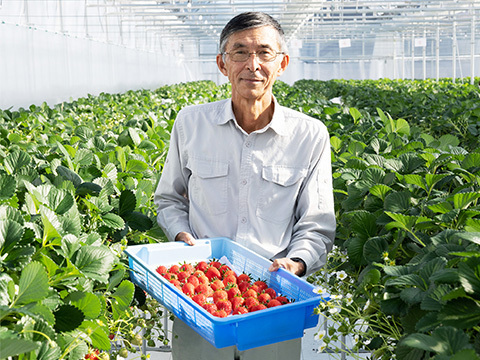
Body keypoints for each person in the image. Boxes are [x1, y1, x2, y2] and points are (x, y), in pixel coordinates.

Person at [154, 11, 336, 360]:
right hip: (199, 298)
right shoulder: (191, 124)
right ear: (222, 64)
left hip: (274, 300)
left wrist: (296, 263)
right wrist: (181, 238)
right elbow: (169, 199)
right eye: (240, 52)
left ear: (282, 63)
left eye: (264, 53)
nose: (253, 64)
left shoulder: (309, 135)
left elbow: (317, 224)